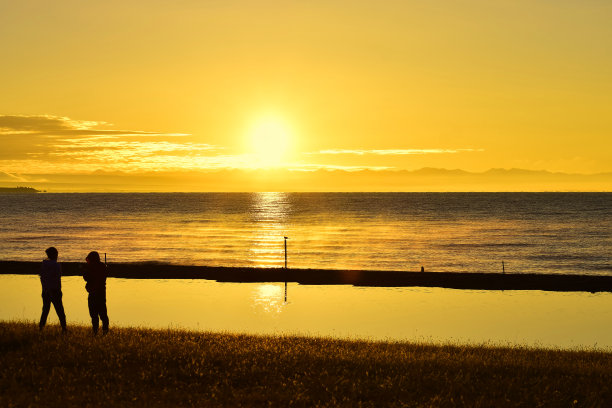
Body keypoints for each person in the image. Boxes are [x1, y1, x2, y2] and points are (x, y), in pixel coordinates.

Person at [39, 247, 67, 332]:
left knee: (45, 310)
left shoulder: (44, 265)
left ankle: (41, 327)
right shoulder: (56, 265)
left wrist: (46, 289)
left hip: (46, 290)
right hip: (55, 290)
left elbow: (42, 278)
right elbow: (57, 278)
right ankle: (64, 328)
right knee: (60, 311)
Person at [83, 251, 109, 335]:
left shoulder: (91, 267)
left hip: (93, 293)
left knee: (94, 314)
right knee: (103, 313)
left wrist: (87, 268)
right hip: (101, 293)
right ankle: (105, 330)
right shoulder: (102, 266)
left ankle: (95, 331)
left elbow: (86, 278)